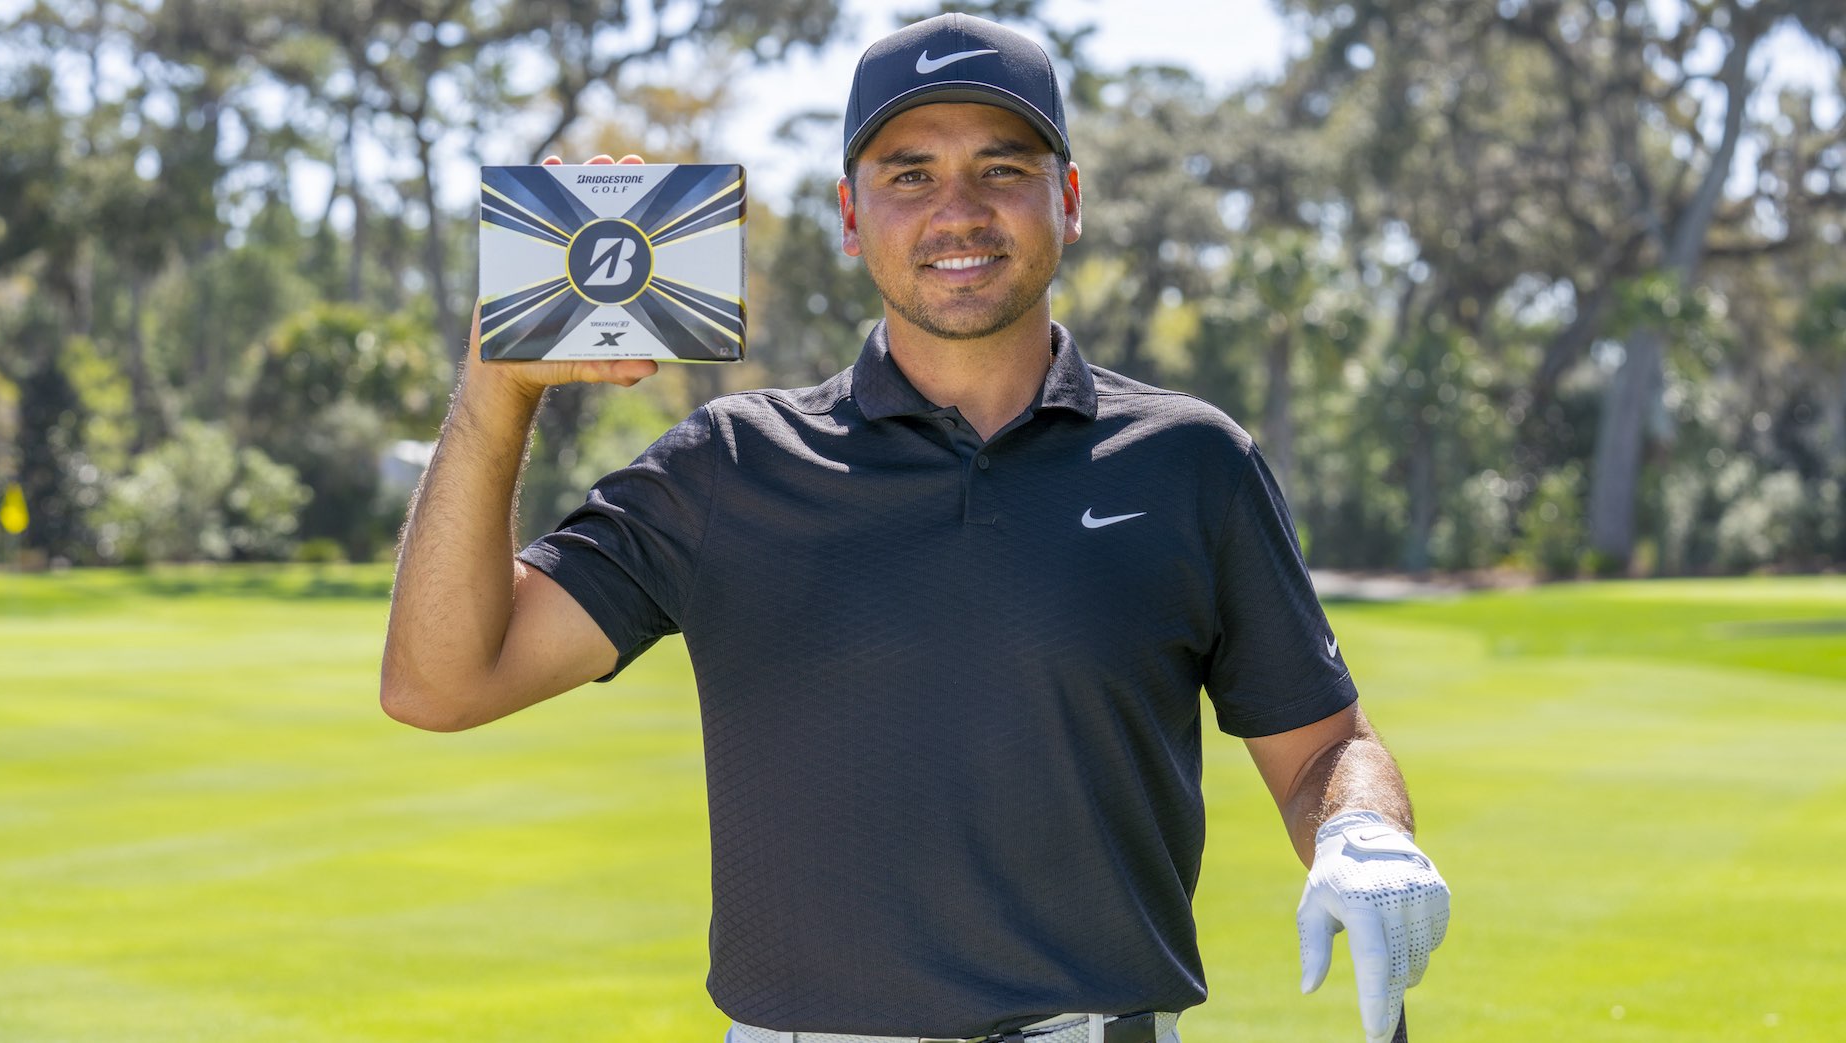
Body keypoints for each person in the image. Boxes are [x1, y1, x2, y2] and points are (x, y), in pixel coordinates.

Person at [381, 12, 1449, 1043]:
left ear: (1068, 199)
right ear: (851, 217)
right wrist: (497, 389)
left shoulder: (1192, 461)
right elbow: (440, 682)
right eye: (909, 175)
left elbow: (1324, 744)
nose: (958, 211)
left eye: (1002, 167)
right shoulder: (728, 464)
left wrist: (1361, 827)